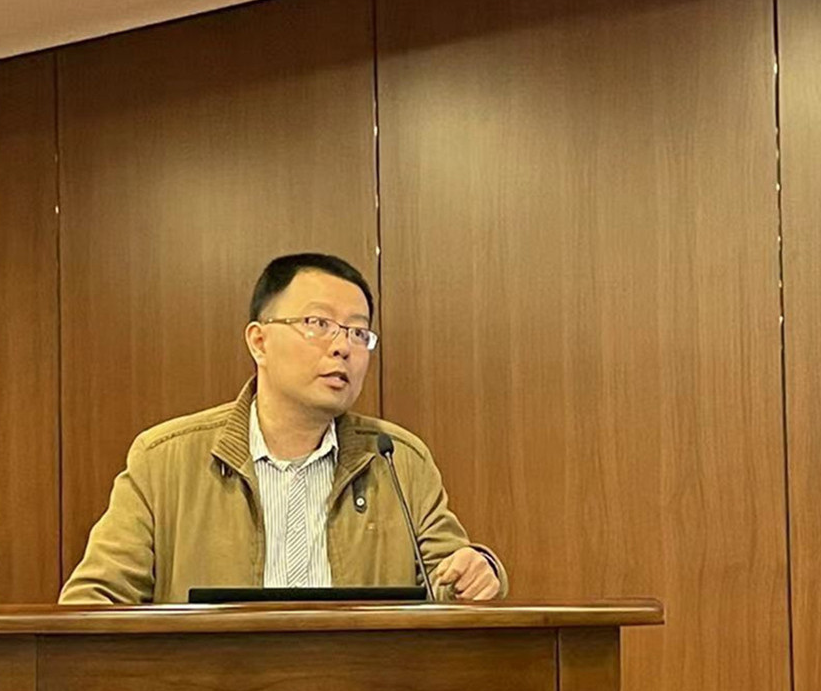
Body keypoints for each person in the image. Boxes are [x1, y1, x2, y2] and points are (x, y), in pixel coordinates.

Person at [59, 252, 506, 604]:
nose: (342, 347)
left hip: (362, 690)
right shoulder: (165, 460)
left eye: (358, 333)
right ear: (259, 341)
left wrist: (479, 570)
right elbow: (92, 602)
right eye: (318, 324)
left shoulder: (397, 460)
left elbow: (451, 582)